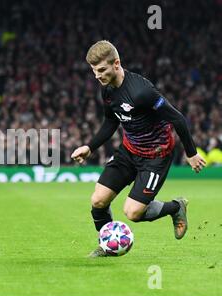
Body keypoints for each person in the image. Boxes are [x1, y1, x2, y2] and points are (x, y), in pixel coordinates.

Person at [71, 40, 206, 257]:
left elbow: (178, 119)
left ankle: (176, 207)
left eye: (102, 70)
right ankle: (107, 245)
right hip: (129, 151)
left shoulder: (142, 92)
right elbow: (110, 122)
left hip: (155, 156)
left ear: (117, 64)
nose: (97, 76)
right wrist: (90, 147)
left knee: (133, 212)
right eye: (94, 71)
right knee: (98, 200)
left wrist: (191, 153)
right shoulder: (107, 91)